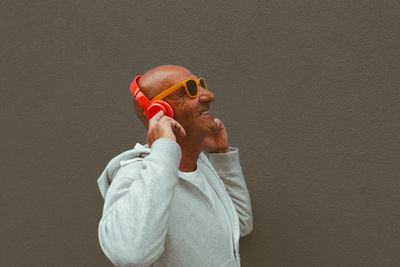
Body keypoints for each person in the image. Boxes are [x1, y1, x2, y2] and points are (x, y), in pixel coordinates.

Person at [97, 65, 253, 267]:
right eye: (189, 89)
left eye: (200, 85)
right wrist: (163, 147)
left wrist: (221, 156)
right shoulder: (135, 174)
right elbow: (131, 255)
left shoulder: (201, 166)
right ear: (161, 111)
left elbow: (240, 223)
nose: (209, 96)